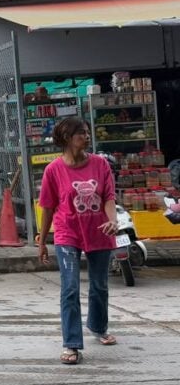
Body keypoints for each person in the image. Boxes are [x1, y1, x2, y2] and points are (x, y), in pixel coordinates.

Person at [37, 116, 118, 365]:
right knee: (70, 288)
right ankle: (71, 343)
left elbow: (108, 197)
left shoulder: (100, 165)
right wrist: (42, 241)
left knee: (99, 286)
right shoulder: (53, 170)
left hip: (99, 231)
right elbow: (48, 207)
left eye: (86, 132)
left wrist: (113, 220)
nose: (86, 137)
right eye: (81, 133)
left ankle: (98, 326)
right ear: (66, 138)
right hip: (67, 233)